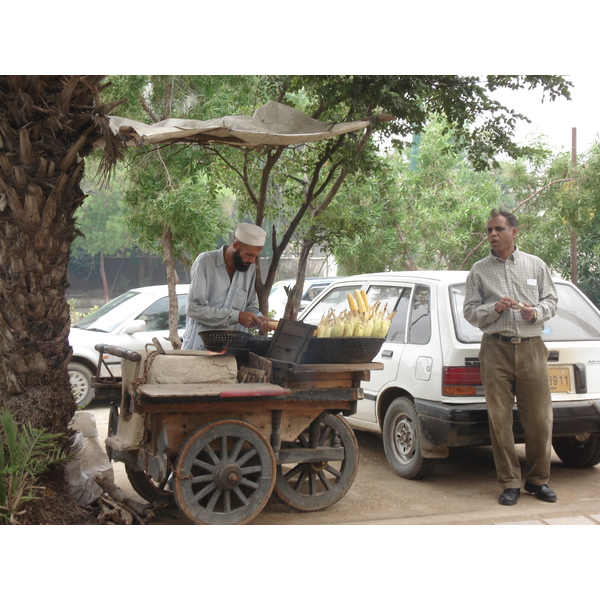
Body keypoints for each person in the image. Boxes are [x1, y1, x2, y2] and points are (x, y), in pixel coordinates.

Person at [463, 209, 558, 506]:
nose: (492, 234)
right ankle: (509, 483)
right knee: (500, 420)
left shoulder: (536, 265)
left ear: (514, 232)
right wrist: (496, 309)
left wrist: (537, 312)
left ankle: (538, 481)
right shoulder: (479, 270)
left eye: (498, 229)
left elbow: (552, 301)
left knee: (540, 420)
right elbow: (469, 311)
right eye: (489, 230)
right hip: (496, 349)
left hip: (531, 347)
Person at [181, 222, 275, 350]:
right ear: (235, 245)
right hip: (201, 348)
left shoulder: (250, 268)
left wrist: (260, 320)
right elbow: (194, 309)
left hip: (234, 351)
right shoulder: (205, 262)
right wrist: (236, 316)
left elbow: (249, 307)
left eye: (256, 257)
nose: (252, 261)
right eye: (249, 255)